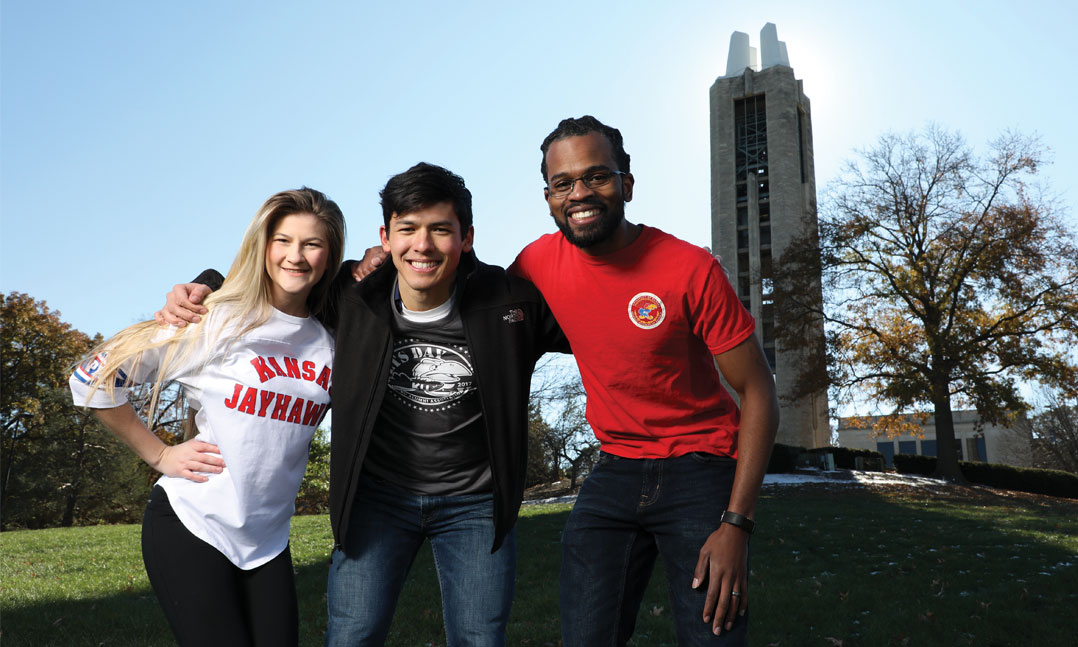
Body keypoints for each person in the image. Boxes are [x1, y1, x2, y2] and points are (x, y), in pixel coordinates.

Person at [158, 163, 568, 646]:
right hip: (379, 498)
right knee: (352, 636)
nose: (423, 245)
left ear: (467, 237)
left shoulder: (510, 303)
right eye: (407, 230)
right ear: (386, 236)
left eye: (441, 230)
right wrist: (206, 283)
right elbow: (280, 276)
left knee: (480, 637)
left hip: (474, 502)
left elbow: (596, 325)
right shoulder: (353, 297)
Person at [507, 115, 779, 646]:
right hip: (615, 470)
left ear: (626, 184)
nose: (580, 193)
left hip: (701, 469)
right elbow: (473, 304)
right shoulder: (537, 262)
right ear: (548, 197)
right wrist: (375, 264)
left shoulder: (690, 269)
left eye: (597, 176)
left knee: (714, 634)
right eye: (563, 183)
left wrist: (737, 524)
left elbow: (759, 390)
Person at [70, 188, 345, 646]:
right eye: (283, 240)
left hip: (267, 542)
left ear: (330, 254)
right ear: (262, 245)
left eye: (312, 244)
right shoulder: (211, 318)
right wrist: (158, 454)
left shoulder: (331, 341)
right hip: (193, 524)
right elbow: (90, 378)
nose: (295, 256)